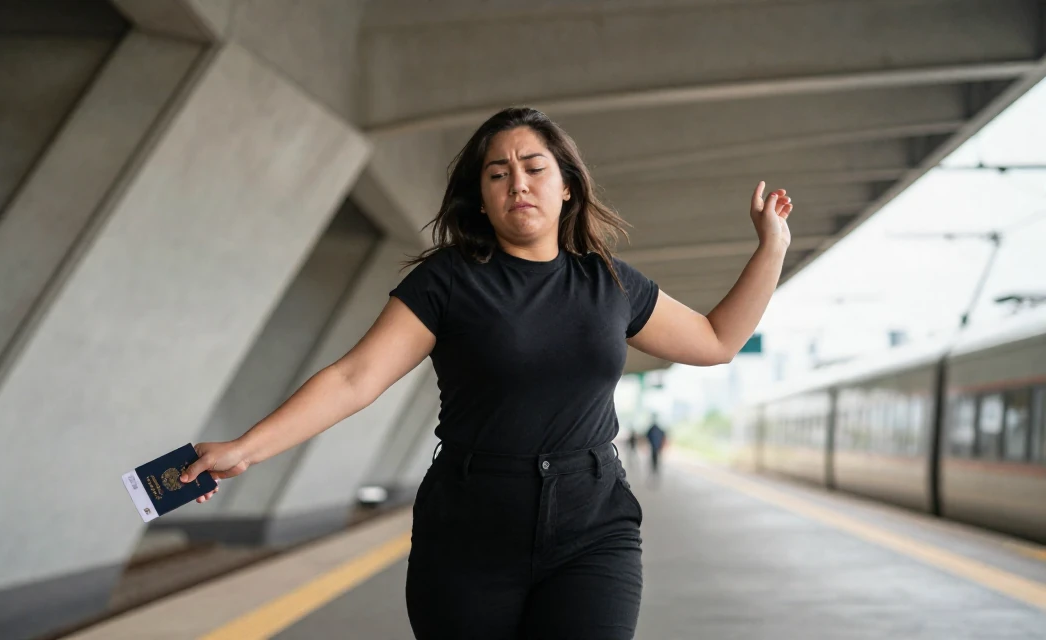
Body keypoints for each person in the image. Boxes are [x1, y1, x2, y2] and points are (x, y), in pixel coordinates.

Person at [180, 107, 794, 638]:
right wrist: (245, 449)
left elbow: (717, 340)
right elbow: (354, 379)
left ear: (567, 187)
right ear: (481, 197)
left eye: (534, 168)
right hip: (469, 533)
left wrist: (772, 247)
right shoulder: (447, 281)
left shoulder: (610, 284)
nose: (517, 183)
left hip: (592, 528)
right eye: (498, 174)